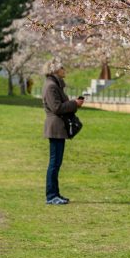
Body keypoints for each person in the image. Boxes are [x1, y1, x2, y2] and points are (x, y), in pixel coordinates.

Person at [42, 60, 83, 205]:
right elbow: (57, 108)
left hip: (59, 127)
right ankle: (51, 195)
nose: (64, 69)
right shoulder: (51, 86)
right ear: (55, 70)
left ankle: (55, 193)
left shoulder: (55, 85)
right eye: (61, 67)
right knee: (54, 163)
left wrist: (73, 103)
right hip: (55, 128)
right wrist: (74, 104)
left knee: (57, 162)